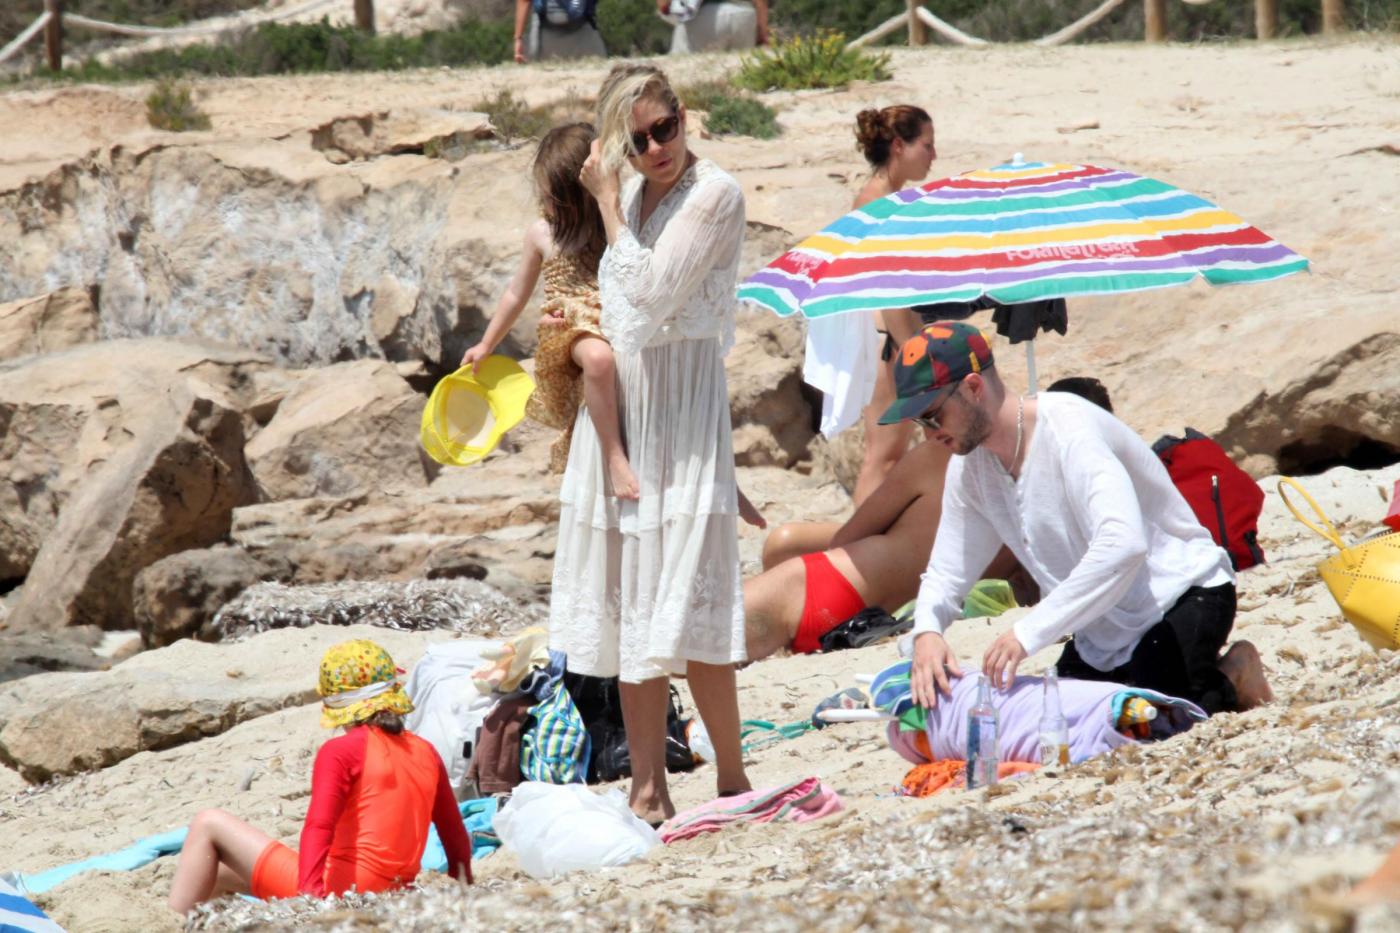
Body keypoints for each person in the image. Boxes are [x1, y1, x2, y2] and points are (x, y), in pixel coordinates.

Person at [550, 63, 755, 824]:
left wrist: (608, 205)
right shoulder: (636, 192)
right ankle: (648, 785)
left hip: (686, 411)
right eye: (636, 140)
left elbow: (647, 296)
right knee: (634, 602)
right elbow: (614, 309)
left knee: (696, 598)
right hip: (631, 411)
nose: (655, 148)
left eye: (664, 128)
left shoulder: (715, 195)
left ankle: (732, 774)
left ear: (683, 114)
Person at [888, 321, 1272, 715]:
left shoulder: (1069, 428)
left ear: (973, 388)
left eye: (933, 417)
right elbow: (947, 571)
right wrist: (927, 632)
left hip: (1182, 594)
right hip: (1099, 627)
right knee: (1061, 716)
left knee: (1152, 717)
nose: (929, 434)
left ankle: (1235, 672)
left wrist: (1027, 633)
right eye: (920, 423)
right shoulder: (970, 468)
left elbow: (1124, 545)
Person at [167, 640, 472, 914]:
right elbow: (454, 832)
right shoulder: (425, 751)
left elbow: (318, 826)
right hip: (393, 893)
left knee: (208, 822)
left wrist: (311, 900)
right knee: (217, 874)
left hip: (342, 891)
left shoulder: (342, 751)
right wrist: (465, 889)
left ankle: (169, 921)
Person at [462, 123, 637, 494]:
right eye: (544, 195)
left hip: (611, 315)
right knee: (598, 359)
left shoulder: (612, 221)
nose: (546, 204)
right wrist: (487, 344)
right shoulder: (543, 233)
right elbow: (516, 293)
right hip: (569, 327)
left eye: (553, 197)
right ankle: (614, 456)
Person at [821, 105, 937, 505]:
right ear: (899, 146)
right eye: (927, 145)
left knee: (899, 450)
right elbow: (886, 288)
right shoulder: (879, 203)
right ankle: (861, 536)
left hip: (892, 335)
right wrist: (912, 349)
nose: (933, 155)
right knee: (885, 454)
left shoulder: (886, 198)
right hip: (891, 338)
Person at [514, 0, 606, 64]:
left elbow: (524, 1)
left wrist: (518, 39)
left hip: (582, 34)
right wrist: (518, 38)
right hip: (547, 36)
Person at [661, 0, 769, 53]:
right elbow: (761, 3)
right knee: (741, 69)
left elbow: (664, 5)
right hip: (744, 14)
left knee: (683, 62)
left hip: (705, 13)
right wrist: (763, 34)